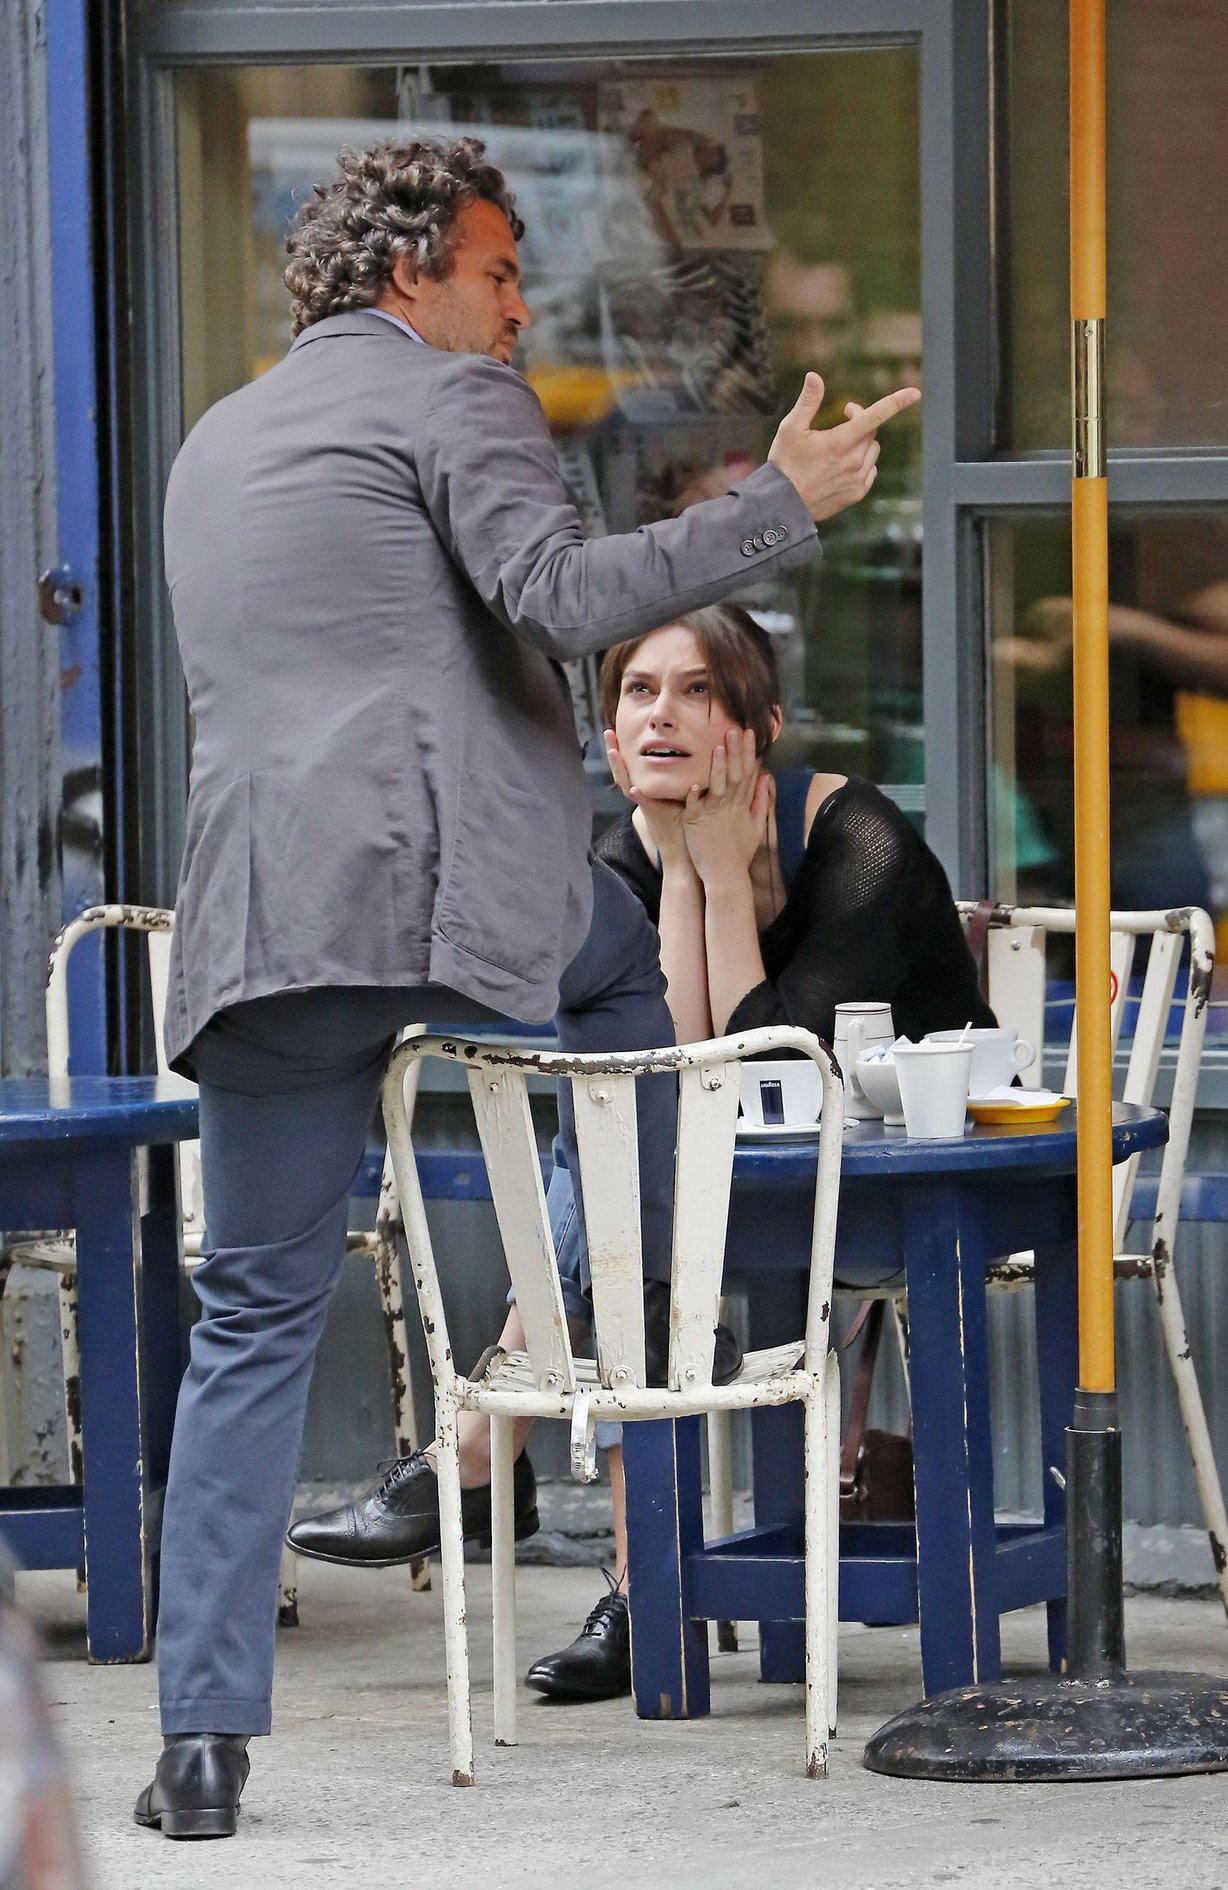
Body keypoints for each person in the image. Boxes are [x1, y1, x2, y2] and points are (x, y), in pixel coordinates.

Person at [136, 132, 919, 1839]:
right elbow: (560, 596)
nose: (516, 312)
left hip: (265, 923)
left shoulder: (215, 440)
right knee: (622, 968)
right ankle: (624, 1314)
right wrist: (778, 506)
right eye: (499, 273)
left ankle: (200, 1746)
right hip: (455, 903)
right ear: (408, 270)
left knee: (250, 1323)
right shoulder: (455, 396)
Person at [298, 601, 992, 1704]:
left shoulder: (858, 840)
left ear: (761, 725)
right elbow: (662, 1072)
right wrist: (678, 872)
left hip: (896, 1207)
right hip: (725, 1216)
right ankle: (630, 1578)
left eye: (697, 690)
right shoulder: (624, 858)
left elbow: (766, 1064)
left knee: (608, 1174)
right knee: (612, 1155)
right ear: (612, 736)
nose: (661, 714)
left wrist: (719, 875)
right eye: (637, 691)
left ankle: (488, 1459)